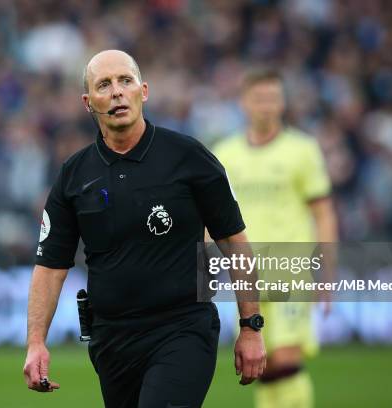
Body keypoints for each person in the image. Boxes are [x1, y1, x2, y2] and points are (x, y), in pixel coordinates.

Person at [23, 50, 266, 408]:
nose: (117, 92)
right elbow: (50, 266)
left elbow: (234, 242)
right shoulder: (73, 176)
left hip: (182, 329)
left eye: (126, 80)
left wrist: (251, 326)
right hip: (111, 341)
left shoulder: (190, 158)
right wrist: (36, 342)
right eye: (104, 85)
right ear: (89, 103)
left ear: (144, 91)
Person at [213, 68, 338, 408]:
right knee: (260, 363)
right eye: (259, 98)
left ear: (283, 103)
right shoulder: (225, 154)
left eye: (272, 98)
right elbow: (212, 221)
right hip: (247, 275)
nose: (266, 106)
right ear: (244, 103)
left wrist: (326, 272)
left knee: (285, 360)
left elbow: (323, 212)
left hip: (291, 268)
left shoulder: (302, 149)